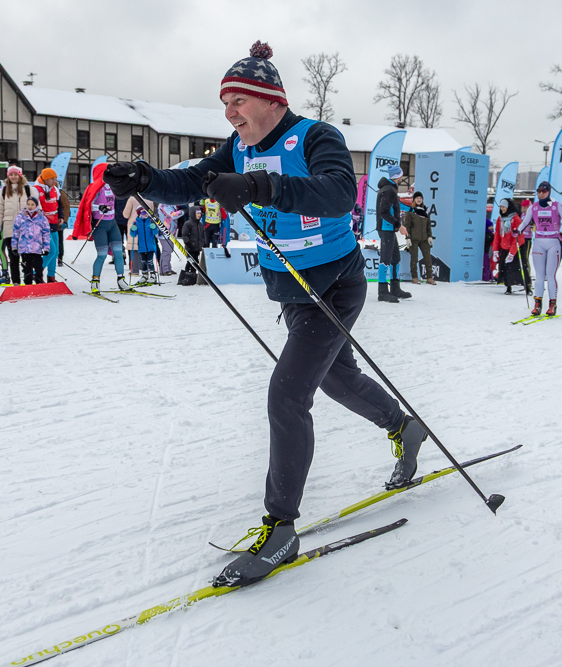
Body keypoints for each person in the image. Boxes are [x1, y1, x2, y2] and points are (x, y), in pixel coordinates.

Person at [103, 41, 425, 587]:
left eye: (238, 101)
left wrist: (258, 186)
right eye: (225, 104)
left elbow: (337, 193)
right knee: (336, 378)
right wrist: (144, 178)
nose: (230, 113)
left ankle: (281, 530)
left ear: (271, 100)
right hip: (292, 291)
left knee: (288, 394)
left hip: (335, 284)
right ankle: (403, 427)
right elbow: (193, 181)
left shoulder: (315, 136)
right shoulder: (237, 146)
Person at [76, 163, 129, 294]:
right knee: (102, 254)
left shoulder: (113, 186)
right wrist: (99, 207)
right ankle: (95, 281)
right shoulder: (95, 187)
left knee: (118, 253)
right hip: (100, 225)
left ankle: (121, 280)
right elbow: (88, 204)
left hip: (112, 223)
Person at [520, 181, 562, 317]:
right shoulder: (533, 207)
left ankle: (552, 304)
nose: (541, 194)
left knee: (550, 275)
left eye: (544, 191)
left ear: (549, 192)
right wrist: (517, 231)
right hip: (539, 242)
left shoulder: (557, 206)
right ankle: (537, 304)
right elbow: (524, 222)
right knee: (539, 276)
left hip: (553, 242)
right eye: (539, 191)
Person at [374, 164, 410, 302]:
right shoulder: (389, 190)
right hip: (386, 228)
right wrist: (398, 225)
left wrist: (413, 209)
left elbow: (395, 206)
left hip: (389, 229)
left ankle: (395, 288)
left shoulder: (390, 189)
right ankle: (382, 292)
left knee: (395, 258)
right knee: (386, 259)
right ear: (398, 176)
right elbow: (383, 212)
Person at [0, 166, 32, 285]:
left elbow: (37, 209)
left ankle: (28, 282)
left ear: (20, 176)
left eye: (15, 174)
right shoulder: (4, 190)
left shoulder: (28, 189)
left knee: (27, 258)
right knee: (13, 258)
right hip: (10, 229)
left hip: (26, 229)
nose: (13, 177)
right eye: (11, 175)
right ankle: (16, 282)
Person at [34, 168, 64, 283]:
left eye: (55, 179)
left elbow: (59, 204)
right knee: (51, 250)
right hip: (42, 226)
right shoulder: (36, 190)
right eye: (52, 179)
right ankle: (36, 271)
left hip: (54, 224)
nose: (54, 181)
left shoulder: (55, 189)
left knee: (56, 252)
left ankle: (51, 276)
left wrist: (61, 216)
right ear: (45, 179)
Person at [12, 196, 50, 285]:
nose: (30, 206)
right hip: (24, 249)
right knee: (27, 269)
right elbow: (15, 232)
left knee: (38, 268)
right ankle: (28, 286)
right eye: (28, 204)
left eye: (32, 204)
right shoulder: (20, 217)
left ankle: (39, 285)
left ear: (36, 205)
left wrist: (46, 247)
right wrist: (14, 246)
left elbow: (46, 233)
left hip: (37, 249)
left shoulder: (42, 218)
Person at [491, 199, 526, 295]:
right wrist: (495, 250)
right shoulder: (500, 219)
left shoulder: (516, 219)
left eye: (504, 207)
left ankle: (526, 286)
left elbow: (518, 237)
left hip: (516, 247)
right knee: (504, 267)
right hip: (504, 247)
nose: (502, 209)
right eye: (501, 207)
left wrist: (512, 253)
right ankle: (508, 286)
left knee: (518, 268)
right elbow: (497, 235)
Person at [405, 191, 435, 285]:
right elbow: (407, 226)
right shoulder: (411, 211)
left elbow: (428, 225)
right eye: (417, 198)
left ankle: (429, 277)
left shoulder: (425, 211)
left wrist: (429, 236)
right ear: (414, 200)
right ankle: (414, 277)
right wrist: (407, 237)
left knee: (427, 258)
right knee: (414, 258)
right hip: (413, 239)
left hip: (424, 239)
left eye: (420, 198)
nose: (419, 200)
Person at [129, 202, 159, 285]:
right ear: (139, 214)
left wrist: (154, 228)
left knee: (150, 261)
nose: (145, 214)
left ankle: (152, 275)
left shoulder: (150, 221)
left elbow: (155, 233)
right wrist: (133, 229)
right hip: (141, 246)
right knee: (143, 261)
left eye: (146, 212)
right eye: (143, 213)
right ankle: (144, 275)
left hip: (150, 246)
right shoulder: (137, 222)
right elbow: (133, 234)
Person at [177, 206, 204, 285]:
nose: (199, 215)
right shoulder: (188, 224)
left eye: (200, 213)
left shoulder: (200, 225)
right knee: (190, 262)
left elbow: (202, 236)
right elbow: (184, 234)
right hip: (190, 247)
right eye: (197, 213)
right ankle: (187, 276)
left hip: (197, 247)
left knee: (195, 261)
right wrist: (187, 243)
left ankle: (192, 275)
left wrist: (203, 244)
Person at [156, 204, 183, 275]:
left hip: (171, 232)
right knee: (166, 250)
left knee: (170, 250)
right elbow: (172, 214)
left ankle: (168, 268)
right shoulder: (164, 205)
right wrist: (182, 211)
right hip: (164, 232)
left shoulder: (172, 204)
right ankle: (163, 269)